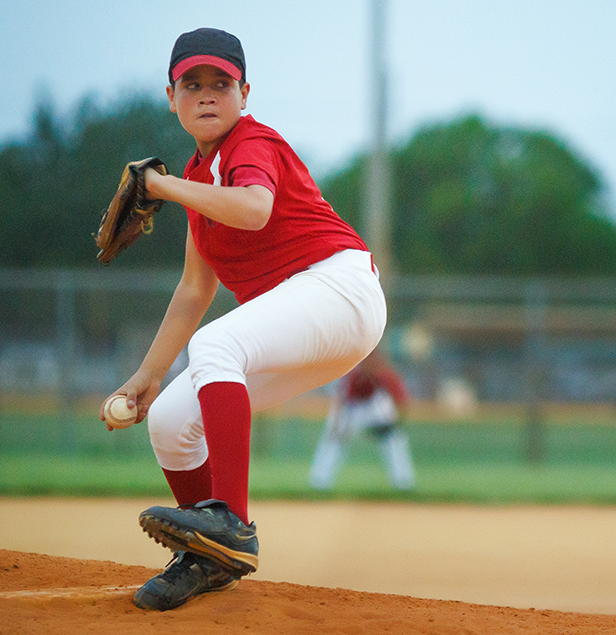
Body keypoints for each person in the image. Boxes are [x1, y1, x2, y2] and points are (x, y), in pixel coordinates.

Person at [99, 27, 386, 611]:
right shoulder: (199, 177)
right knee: (172, 421)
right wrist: (147, 375)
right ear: (171, 97)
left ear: (245, 93)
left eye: (221, 83)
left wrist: (163, 186)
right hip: (316, 319)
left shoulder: (250, 143)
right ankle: (210, 557)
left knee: (215, 347)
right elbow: (193, 288)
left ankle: (230, 522)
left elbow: (256, 210)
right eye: (192, 83)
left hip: (339, 288)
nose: (207, 95)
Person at [309, 348, 415, 491]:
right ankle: (319, 482)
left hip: (374, 407)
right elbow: (342, 401)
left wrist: (394, 425)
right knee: (333, 440)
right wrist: (337, 426)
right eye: (366, 360)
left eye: (372, 360)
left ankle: (403, 484)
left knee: (395, 440)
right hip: (352, 408)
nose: (368, 363)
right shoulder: (354, 374)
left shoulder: (385, 374)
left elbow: (401, 402)